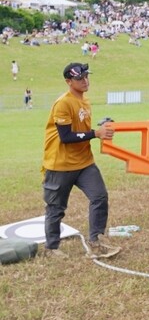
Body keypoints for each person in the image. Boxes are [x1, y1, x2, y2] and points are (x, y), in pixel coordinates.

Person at [41, 63, 121, 259]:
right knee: (56, 208)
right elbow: (66, 136)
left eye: (86, 76)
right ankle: (52, 248)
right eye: (80, 78)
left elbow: (80, 130)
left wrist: (101, 128)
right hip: (60, 164)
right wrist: (95, 133)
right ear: (69, 82)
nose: (85, 81)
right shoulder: (63, 103)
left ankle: (96, 240)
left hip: (84, 162)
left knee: (99, 197)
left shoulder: (85, 101)